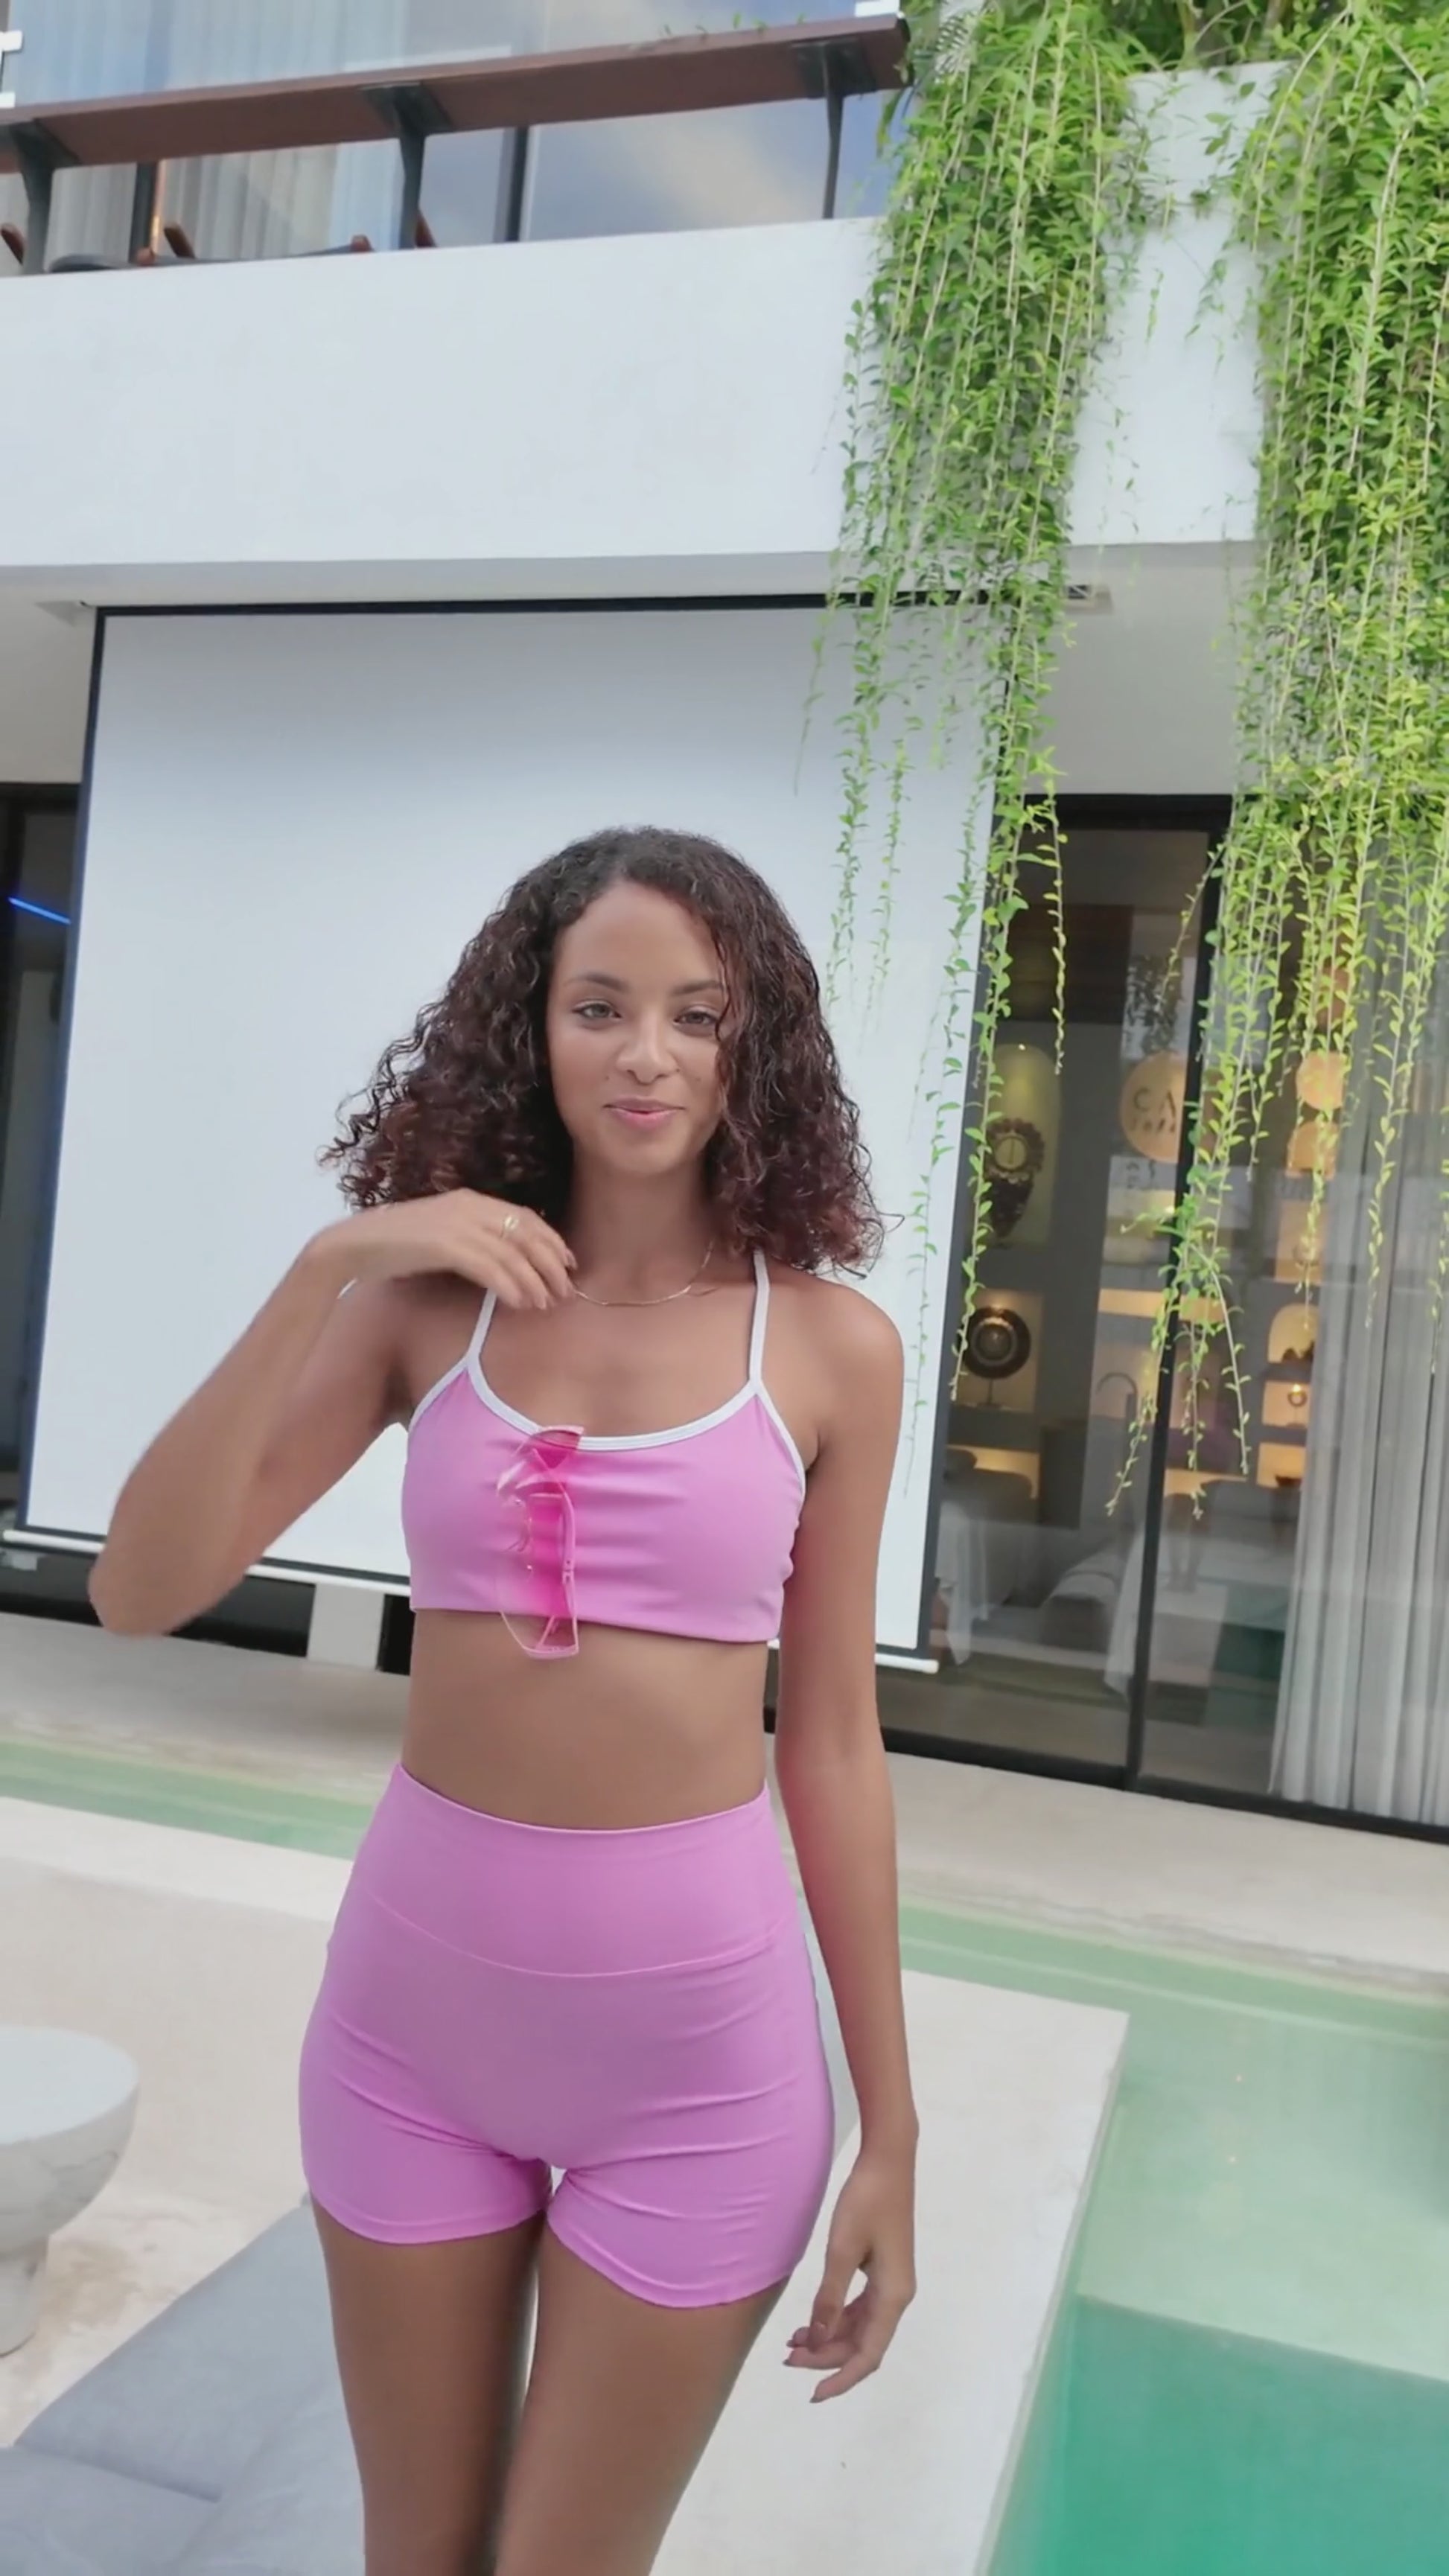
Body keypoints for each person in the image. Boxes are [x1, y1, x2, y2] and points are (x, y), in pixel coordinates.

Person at [91, 823, 917, 2576]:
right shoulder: (422, 1312)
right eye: (598, 1005)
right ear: (528, 1031)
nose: (646, 1053)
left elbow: (835, 1747)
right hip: (411, 2041)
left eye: (697, 1014)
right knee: (416, 2550)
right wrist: (326, 1264)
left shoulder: (829, 1346)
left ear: (753, 1044)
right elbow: (138, 1587)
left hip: (699, 2071)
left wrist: (892, 2124)